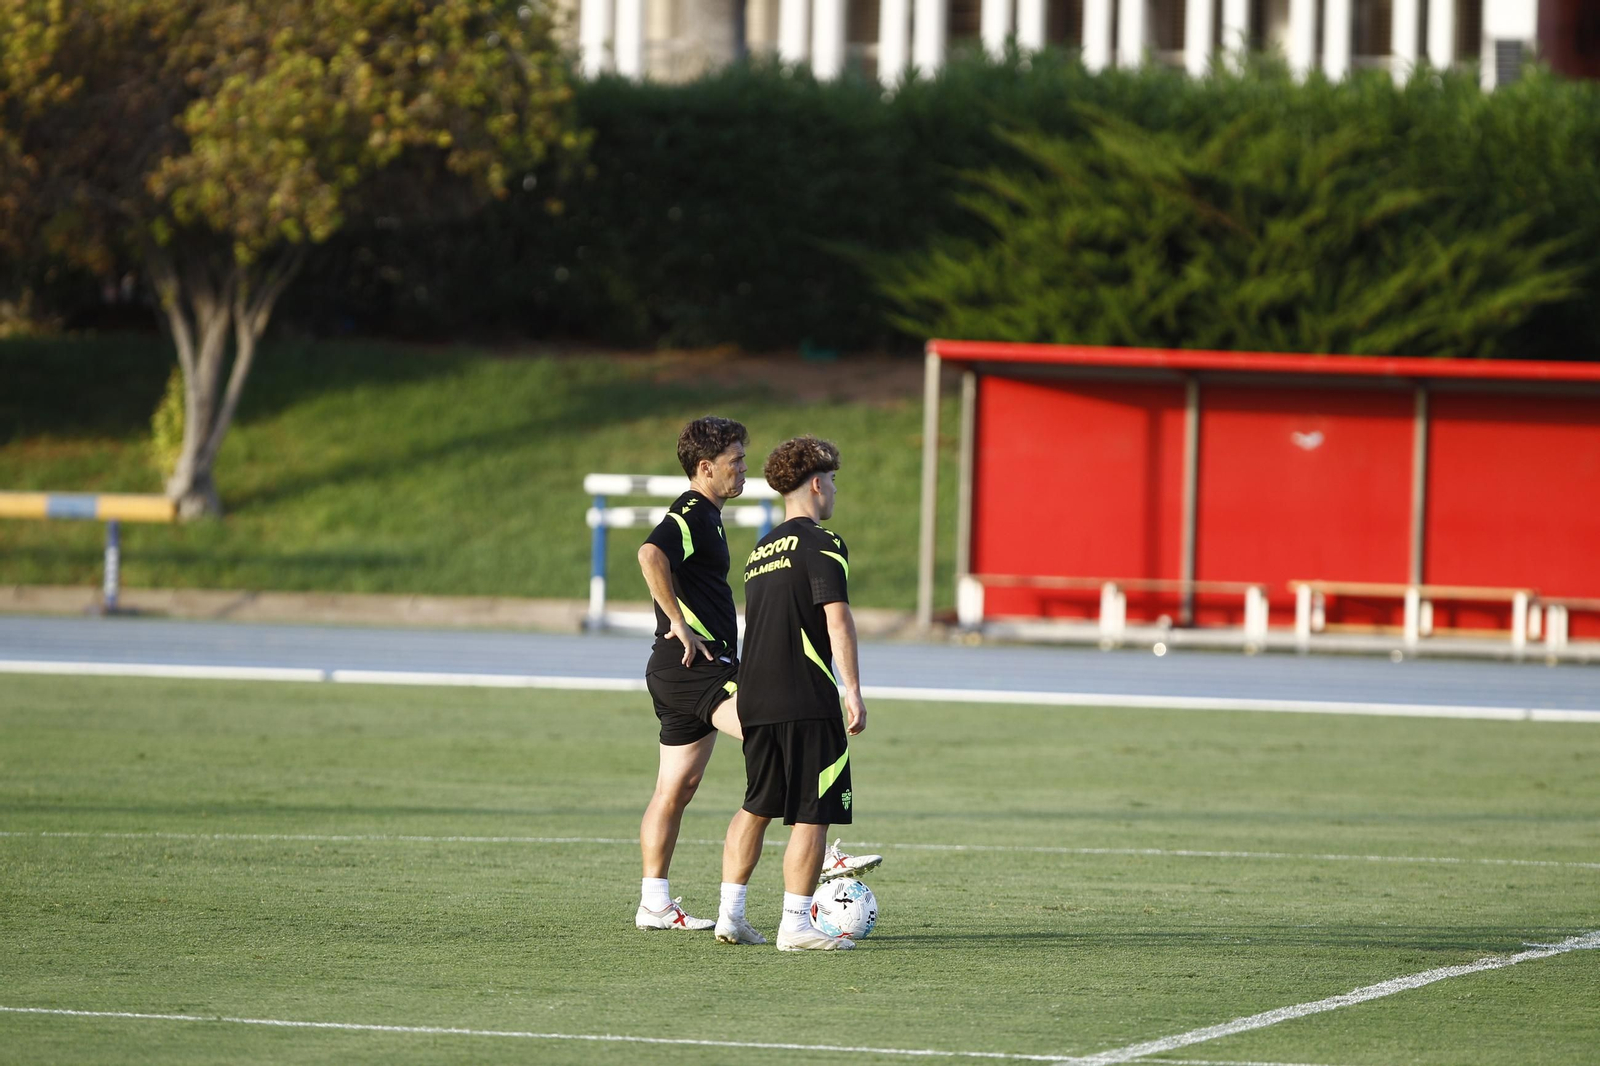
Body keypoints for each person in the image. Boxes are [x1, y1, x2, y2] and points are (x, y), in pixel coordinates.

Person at [633, 418, 878, 934]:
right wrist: (678, 623)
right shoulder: (694, 510)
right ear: (706, 468)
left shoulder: (721, 524)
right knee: (779, 722)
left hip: (678, 671)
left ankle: (654, 903)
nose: (743, 468)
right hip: (697, 666)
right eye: (735, 461)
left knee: (676, 787)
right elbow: (649, 553)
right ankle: (819, 840)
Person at [714, 435, 880, 951]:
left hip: (755, 697)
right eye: (831, 480)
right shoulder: (824, 543)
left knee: (757, 805)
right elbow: (837, 618)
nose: (833, 490)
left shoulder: (760, 551)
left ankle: (730, 915)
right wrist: (852, 689)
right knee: (815, 811)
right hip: (805, 696)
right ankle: (795, 925)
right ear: (816, 482)